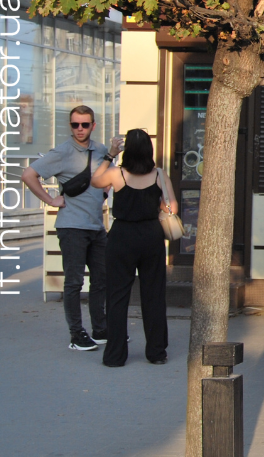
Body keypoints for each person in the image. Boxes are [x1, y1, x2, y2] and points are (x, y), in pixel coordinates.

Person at [22, 105, 122, 352]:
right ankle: (77, 334)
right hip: (71, 226)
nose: (79, 129)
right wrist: (50, 200)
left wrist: (105, 191)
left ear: (93, 126)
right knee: (74, 282)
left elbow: (106, 178)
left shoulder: (101, 150)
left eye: (84, 124)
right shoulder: (62, 152)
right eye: (75, 124)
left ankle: (100, 330)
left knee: (101, 280)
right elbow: (28, 175)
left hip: (96, 225)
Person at [90, 129, 172, 366]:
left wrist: (110, 155)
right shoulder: (159, 175)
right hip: (151, 236)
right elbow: (171, 206)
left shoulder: (117, 174)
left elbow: (95, 181)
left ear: (128, 150)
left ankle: (115, 355)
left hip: (122, 237)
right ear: (149, 150)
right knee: (153, 295)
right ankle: (156, 352)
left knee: (117, 296)